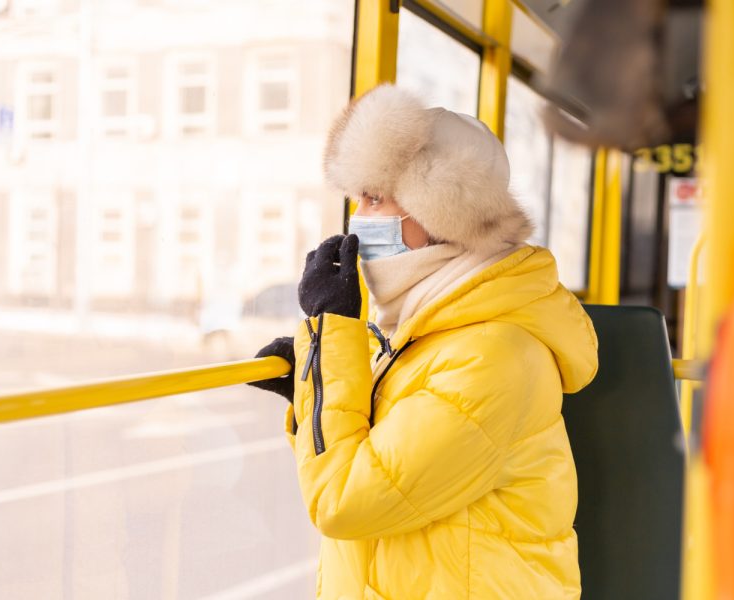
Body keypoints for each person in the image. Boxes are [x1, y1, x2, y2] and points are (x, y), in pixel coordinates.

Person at [248, 85, 598, 599]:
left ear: (439, 211)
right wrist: (314, 391)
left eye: (373, 198)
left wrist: (332, 335)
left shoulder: (494, 355)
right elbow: (378, 458)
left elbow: (347, 501)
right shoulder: (421, 327)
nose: (359, 218)